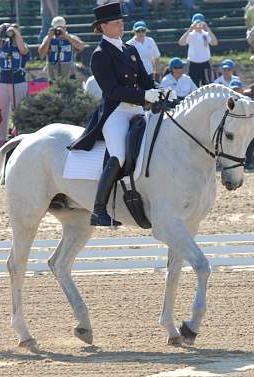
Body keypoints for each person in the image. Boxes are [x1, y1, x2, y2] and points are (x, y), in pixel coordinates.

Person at [67, 3, 169, 227]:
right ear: (103, 26)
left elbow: (145, 79)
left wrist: (159, 90)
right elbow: (112, 90)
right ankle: (98, 209)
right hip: (116, 112)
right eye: (116, 22)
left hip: (138, 109)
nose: (121, 25)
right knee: (120, 155)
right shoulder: (100, 55)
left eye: (122, 21)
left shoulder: (130, 50)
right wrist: (145, 95)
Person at [0, 22, 30, 143]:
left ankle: (20, 137)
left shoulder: (23, 45)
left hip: (18, 83)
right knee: (1, 113)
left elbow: (23, 50)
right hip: (2, 83)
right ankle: (2, 140)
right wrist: (3, 26)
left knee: (18, 112)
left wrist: (16, 33)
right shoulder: (3, 44)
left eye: (16, 30)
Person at [38, 16, 84, 81]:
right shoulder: (48, 39)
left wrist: (66, 36)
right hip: (53, 77)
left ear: (65, 27)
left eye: (61, 28)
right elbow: (41, 54)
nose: (58, 31)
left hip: (69, 77)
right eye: (56, 28)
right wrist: (49, 38)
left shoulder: (71, 38)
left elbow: (81, 47)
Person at [178, 13, 218, 87]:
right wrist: (190, 29)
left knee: (207, 85)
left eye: (200, 23)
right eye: (196, 23)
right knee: (193, 85)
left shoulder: (206, 34)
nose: (198, 25)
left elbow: (214, 43)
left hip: (205, 63)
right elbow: (181, 43)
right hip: (193, 64)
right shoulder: (190, 35)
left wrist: (208, 29)